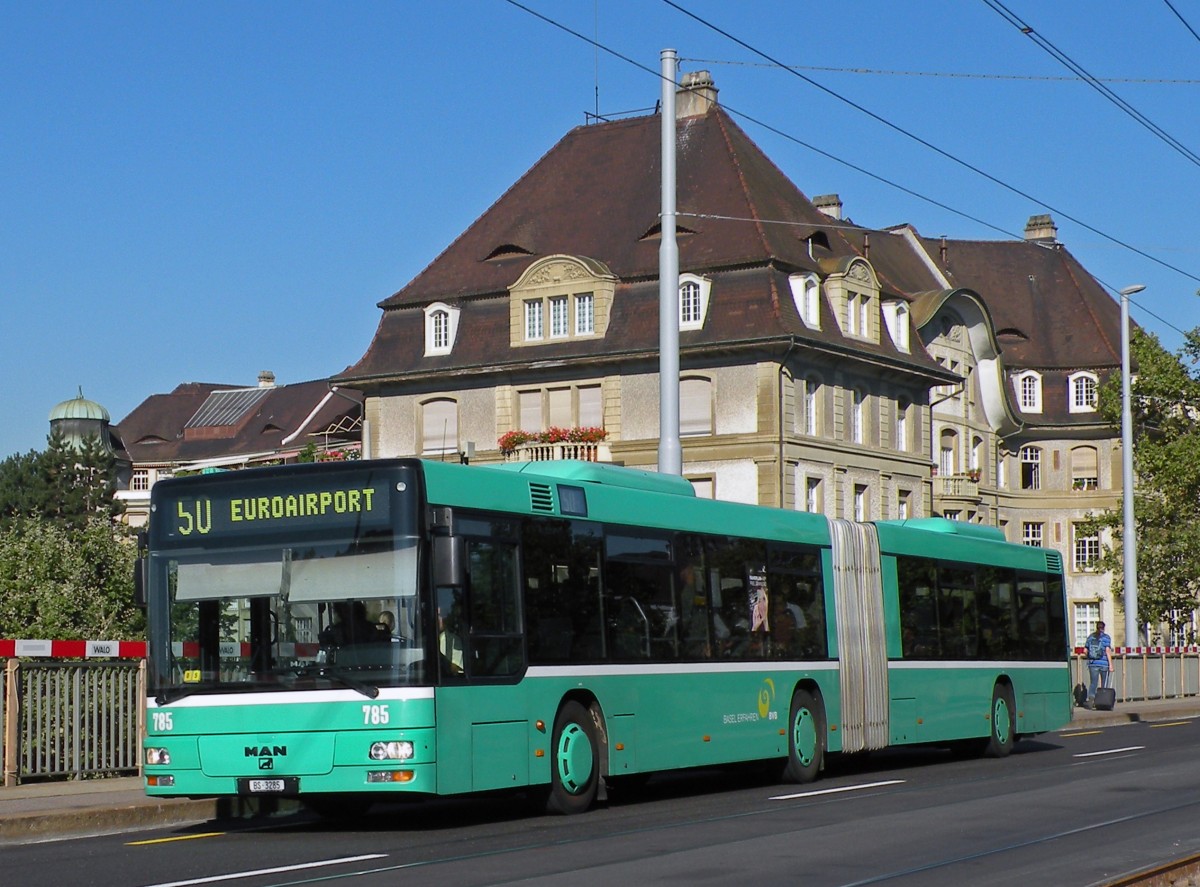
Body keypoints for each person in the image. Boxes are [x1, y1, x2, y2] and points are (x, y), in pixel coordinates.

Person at [1085, 620, 1113, 708]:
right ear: (1103, 628)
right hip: (1104, 664)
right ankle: (1102, 702)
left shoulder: (1090, 637)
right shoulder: (1106, 638)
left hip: (1093, 664)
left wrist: (1090, 659)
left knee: (1093, 682)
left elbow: (1085, 651)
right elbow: (1108, 651)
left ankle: (1091, 699)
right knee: (1104, 683)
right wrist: (1111, 665)